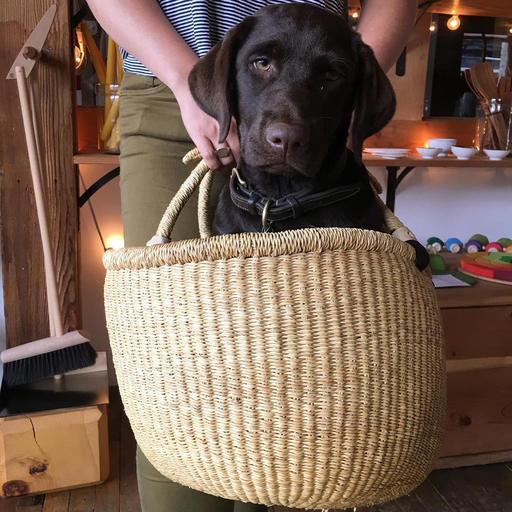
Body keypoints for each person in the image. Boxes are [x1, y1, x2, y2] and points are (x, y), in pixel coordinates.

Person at [86, 1, 418, 511]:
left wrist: (354, 75)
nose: (284, 128)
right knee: (178, 383)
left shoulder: (340, 88)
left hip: (329, 125)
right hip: (165, 74)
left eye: (334, 74)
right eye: (266, 62)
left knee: (314, 408)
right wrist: (183, 80)